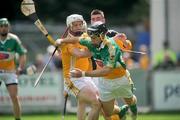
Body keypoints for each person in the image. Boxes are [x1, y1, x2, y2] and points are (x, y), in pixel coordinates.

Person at [55, 22, 138, 120]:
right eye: (91, 37)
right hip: (105, 81)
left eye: (94, 38)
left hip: (120, 79)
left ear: (102, 36)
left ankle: (133, 109)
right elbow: (77, 39)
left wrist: (82, 73)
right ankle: (121, 111)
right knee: (107, 112)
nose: (91, 40)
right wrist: (61, 40)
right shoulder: (92, 41)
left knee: (130, 101)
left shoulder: (111, 48)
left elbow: (106, 71)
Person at [58, 14, 101, 120]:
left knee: (86, 103)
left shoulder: (84, 37)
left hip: (85, 77)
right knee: (96, 102)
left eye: (80, 24)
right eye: (75, 25)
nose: (78, 27)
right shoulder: (67, 42)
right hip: (72, 79)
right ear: (69, 27)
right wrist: (95, 49)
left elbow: (85, 43)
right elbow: (80, 54)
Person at [0, 18, 27, 120]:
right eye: (1, 26)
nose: (3, 28)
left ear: (9, 27)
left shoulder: (14, 39)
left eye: (5, 26)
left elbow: (22, 54)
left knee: (14, 97)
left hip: (10, 72)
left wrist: (20, 67)